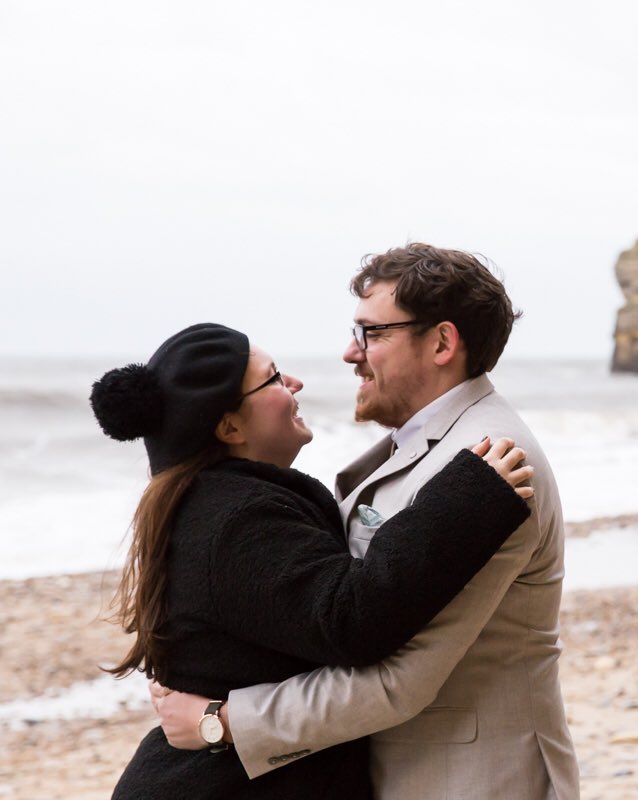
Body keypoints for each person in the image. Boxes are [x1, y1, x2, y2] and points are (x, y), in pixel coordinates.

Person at [156, 244, 580, 798]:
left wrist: (223, 719)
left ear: (442, 343)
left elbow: (400, 678)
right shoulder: (428, 449)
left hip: (474, 778)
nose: (350, 354)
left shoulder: (490, 463)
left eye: (372, 334)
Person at [91, 322, 535, 798]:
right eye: (275, 377)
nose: (296, 383)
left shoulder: (217, 503)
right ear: (229, 426)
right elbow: (353, 618)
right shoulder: (237, 520)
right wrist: (467, 499)